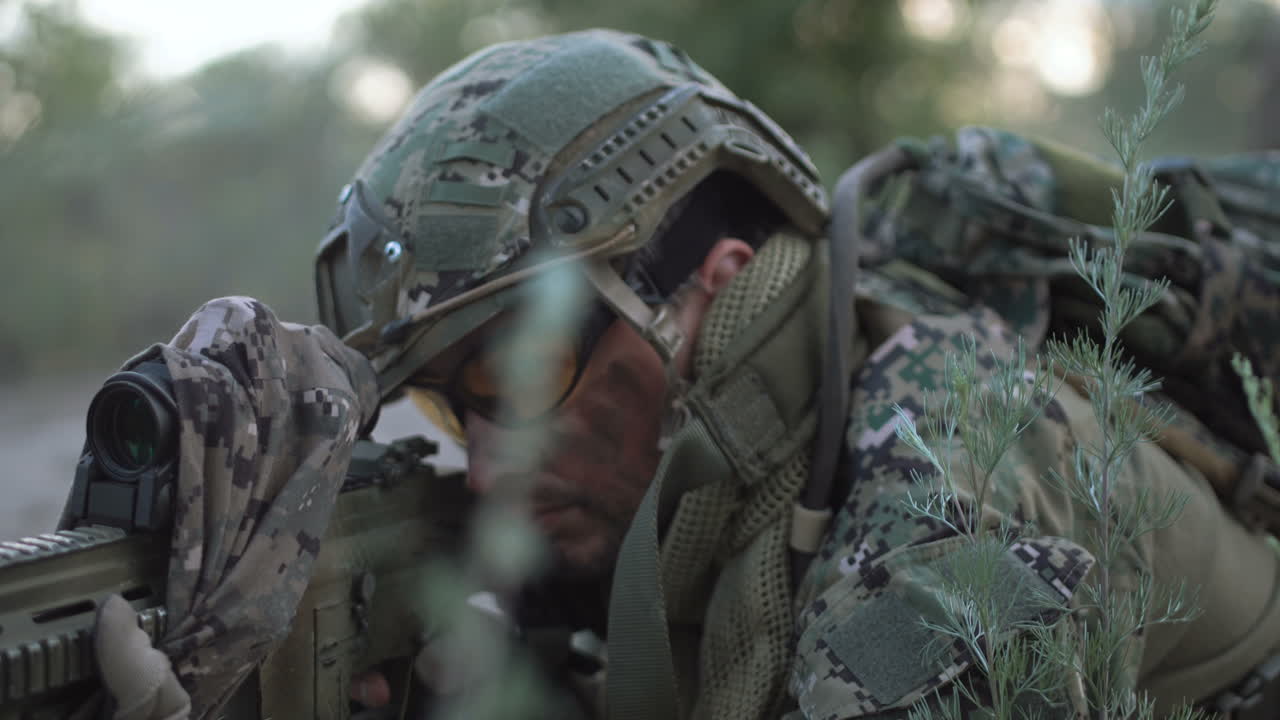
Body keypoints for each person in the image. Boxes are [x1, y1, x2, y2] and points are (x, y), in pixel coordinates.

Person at [314, 28, 1280, 719]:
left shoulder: (935, 525)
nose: (485, 471)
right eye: (450, 404)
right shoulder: (802, 382)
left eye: (522, 374)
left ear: (709, 292)